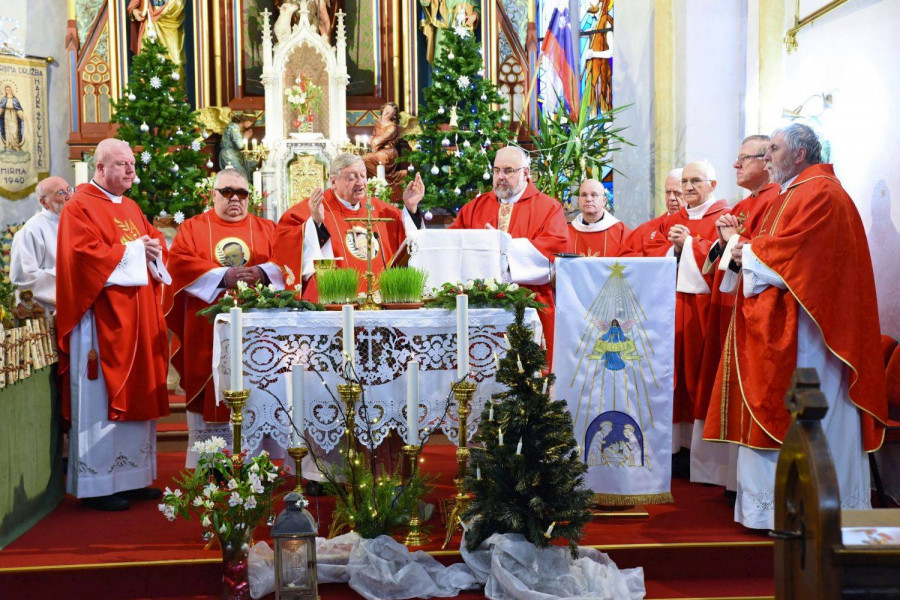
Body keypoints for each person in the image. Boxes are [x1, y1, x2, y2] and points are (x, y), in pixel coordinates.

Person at [705, 123, 887, 530]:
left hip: (815, 337)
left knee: (810, 415)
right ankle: (783, 509)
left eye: (772, 149)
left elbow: (796, 254)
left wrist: (743, 251)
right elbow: (768, 246)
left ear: (800, 154)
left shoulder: (821, 193)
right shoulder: (793, 194)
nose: (766, 157)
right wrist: (741, 249)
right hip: (794, 326)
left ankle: (811, 511)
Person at [56, 138, 171, 511]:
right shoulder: (80, 207)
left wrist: (152, 251)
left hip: (136, 319)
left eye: (132, 164)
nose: (130, 170)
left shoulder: (132, 207)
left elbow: (153, 243)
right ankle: (97, 485)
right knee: (101, 399)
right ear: (100, 168)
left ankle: (133, 476)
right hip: (101, 322)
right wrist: (138, 250)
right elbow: (83, 257)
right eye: (121, 164)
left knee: (135, 395)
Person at [163, 168, 283, 467]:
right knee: (210, 388)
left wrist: (263, 272)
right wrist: (222, 276)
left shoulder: (267, 228)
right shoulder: (193, 228)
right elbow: (178, 265)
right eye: (227, 192)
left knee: (259, 389)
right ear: (213, 195)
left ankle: (259, 464)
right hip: (206, 331)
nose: (235, 199)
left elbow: (286, 262)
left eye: (241, 194)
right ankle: (212, 463)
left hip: (258, 334)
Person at [689, 136, 780, 488]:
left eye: (743, 158)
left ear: (766, 161)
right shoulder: (747, 203)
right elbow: (725, 259)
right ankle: (727, 478)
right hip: (731, 307)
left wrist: (732, 243)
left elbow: (767, 256)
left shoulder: (774, 201)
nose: (736, 165)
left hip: (754, 311)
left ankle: (737, 482)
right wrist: (723, 244)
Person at [448, 145, 570, 354]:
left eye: (508, 170)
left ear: (525, 173)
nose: (501, 177)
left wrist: (504, 245)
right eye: (496, 171)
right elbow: (450, 244)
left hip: (530, 302)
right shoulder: (475, 207)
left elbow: (555, 249)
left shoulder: (548, 208)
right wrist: (414, 213)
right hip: (479, 306)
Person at [645, 161, 729, 453]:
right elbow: (652, 248)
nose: (689, 187)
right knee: (674, 373)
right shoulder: (673, 218)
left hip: (702, 308)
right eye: (685, 182)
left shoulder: (725, 216)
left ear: (713, 185)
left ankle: (700, 451)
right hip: (671, 308)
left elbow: (726, 258)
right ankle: (675, 448)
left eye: (696, 181)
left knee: (698, 373)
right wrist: (674, 249)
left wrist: (690, 244)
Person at [272, 153, 425, 296]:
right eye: (351, 177)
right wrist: (315, 223)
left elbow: (409, 243)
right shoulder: (312, 209)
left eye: (363, 176)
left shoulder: (382, 210)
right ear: (333, 182)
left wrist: (411, 208)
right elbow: (286, 243)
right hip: (336, 302)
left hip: (382, 300)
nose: (360, 182)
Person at [9, 177, 74, 313]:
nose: (69, 196)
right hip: (47, 312)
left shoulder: (77, 221)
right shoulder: (31, 230)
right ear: (44, 202)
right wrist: (71, 273)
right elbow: (26, 278)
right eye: (61, 193)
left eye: (69, 189)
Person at [625, 168, 684, 256]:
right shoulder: (646, 229)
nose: (671, 198)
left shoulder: (699, 224)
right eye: (668, 192)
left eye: (677, 193)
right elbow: (623, 258)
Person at [568, 179, 632, 257]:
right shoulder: (567, 232)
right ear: (579, 200)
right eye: (584, 195)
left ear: (604, 201)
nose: (588, 199)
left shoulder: (621, 232)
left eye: (594, 195)